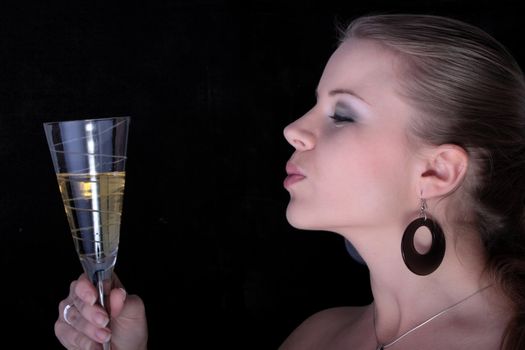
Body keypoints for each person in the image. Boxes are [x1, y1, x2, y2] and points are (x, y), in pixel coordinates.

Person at [55, 13, 525, 349]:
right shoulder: (316, 336)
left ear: (437, 171)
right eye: (315, 104)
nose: (293, 130)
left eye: (342, 114)